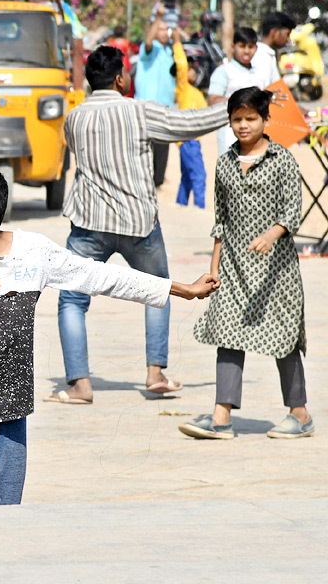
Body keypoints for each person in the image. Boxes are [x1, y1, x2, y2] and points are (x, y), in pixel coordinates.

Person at [0, 165, 216, 505]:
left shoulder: (34, 251)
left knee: (8, 507)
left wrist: (180, 289)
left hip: (13, 398)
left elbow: (101, 276)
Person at [50, 46, 227, 405]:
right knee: (158, 292)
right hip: (139, 223)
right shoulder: (138, 110)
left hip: (89, 225)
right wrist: (235, 108)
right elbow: (190, 124)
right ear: (120, 78)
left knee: (72, 300)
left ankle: (80, 386)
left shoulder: (74, 118)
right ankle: (155, 374)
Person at [181, 87, 314, 440]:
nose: (243, 125)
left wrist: (271, 235)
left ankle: (300, 414)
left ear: (265, 120)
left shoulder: (282, 159)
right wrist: (213, 268)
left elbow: (291, 211)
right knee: (228, 332)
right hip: (234, 269)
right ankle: (221, 416)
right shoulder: (224, 163)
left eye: (250, 118)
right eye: (236, 119)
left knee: (283, 339)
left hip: (276, 272)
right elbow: (220, 221)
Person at [134, 19, 177, 186]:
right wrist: (158, 17)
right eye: (160, 29)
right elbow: (148, 41)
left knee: (162, 145)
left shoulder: (168, 51)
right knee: (145, 145)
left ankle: (158, 180)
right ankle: (141, 180)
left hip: (165, 106)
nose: (164, 33)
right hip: (147, 105)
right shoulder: (149, 50)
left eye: (166, 29)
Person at [208, 27, 264, 156]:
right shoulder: (224, 71)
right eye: (242, 46)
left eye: (250, 47)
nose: (246, 51)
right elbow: (213, 101)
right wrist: (244, 101)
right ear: (233, 47)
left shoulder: (259, 74)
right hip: (230, 135)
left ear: (256, 48)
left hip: (256, 139)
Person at [171, 37, 206, 209]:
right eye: (191, 69)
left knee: (187, 177)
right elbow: (182, 65)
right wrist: (177, 44)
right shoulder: (183, 88)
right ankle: (199, 208)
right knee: (199, 176)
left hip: (194, 140)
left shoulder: (196, 93)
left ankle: (181, 206)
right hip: (188, 140)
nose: (193, 71)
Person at [254, 12, 295, 90]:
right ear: (274, 32)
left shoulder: (268, 54)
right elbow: (261, 90)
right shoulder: (261, 55)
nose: (289, 39)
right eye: (287, 34)